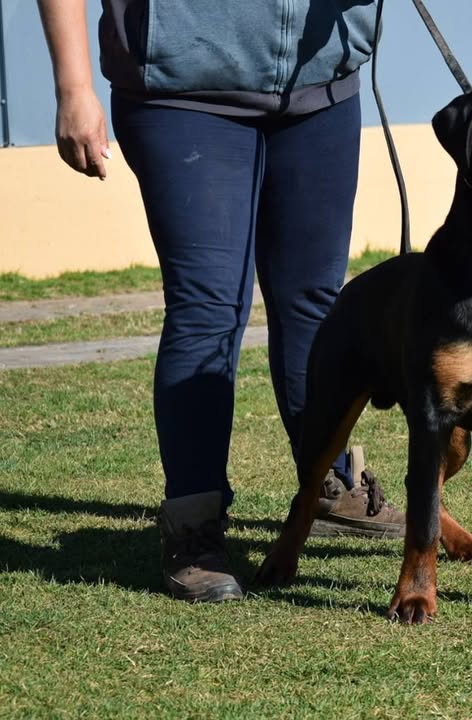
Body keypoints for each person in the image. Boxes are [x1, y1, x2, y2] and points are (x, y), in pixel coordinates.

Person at [37, 0, 406, 603]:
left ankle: (333, 484)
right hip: (182, 88)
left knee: (316, 304)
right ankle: (193, 527)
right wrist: (74, 86)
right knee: (206, 309)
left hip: (320, 87)